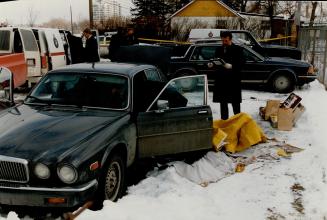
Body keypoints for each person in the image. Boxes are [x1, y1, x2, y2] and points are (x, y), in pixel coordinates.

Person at [213, 31, 244, 120]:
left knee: (235, 104)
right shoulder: (219, 49)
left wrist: (232, 66)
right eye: (222, 41)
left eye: (226, 41)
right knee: (223, 104)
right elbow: (216, 60)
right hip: (222, 81)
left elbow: (242, 63)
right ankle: (224, 122)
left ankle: (238, 123)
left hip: (233, 81)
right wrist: (212, 64)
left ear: (230, 39)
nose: (224, 43)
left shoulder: (238, 49)